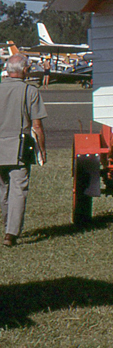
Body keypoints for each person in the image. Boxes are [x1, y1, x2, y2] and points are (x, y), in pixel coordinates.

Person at [0, 54, 47, 247]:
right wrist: (42, 150)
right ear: (25, 70)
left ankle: (6, 224)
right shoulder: (30, 91)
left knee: (2, 189)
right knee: (18, 189)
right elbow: (37, 126)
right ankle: (11, 233)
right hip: (18, 147)